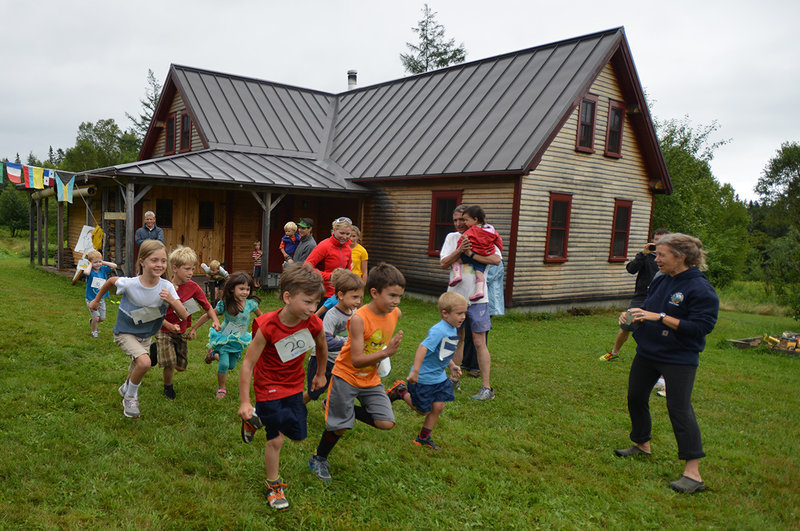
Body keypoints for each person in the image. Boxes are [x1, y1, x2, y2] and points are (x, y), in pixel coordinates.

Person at [613, 233, 719, 495]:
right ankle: (642, 444)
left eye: (662, 255)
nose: (656, 259)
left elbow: (702, 327)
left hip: (679, 358)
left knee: (679, 409)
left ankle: (693, 474)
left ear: (680, 257)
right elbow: (649, 309)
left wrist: (660, 317)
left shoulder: (700, 288)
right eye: (656, 254)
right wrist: (634, 318)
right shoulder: (662, 280)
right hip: (648, 351)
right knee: (635, 396)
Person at [237, 264, 328, 511]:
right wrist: (245, 401)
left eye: (316, 303)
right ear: (287, 297)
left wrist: (320, 373)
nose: (312, 309)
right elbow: (248, 363)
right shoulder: (267, 325)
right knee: (276, 440)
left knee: (298, 436)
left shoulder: (313, 323)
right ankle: (273, 485)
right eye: (308, 302)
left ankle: (255, 420)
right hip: (268, 386)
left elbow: (321, 347)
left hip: (294, 385)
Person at [307, 263, 405, 482]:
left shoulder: (395, 312)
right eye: (392, 295)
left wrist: (384, 353)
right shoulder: (359, 319)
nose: (396, 301)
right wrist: (386, 352)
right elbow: (358, 359)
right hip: (347, 375)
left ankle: (340, 408)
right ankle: (318, 458)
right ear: (374, 293)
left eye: (399, 296)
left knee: (386, 422)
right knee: (340, 427)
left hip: (371, 379)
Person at [89, 240, 188, 419]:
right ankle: (130, 397)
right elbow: (110, 281)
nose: (159, 265)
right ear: (142, 261)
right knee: (144, 363)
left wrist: (172, 301)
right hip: (125, 332)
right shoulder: (130, 284)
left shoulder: (167, 287)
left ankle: (126, 387)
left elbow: (184, 315)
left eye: (163, 261)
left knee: (138, 368)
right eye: (154, 260)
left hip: (145, 335)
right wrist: (96, 300)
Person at [389, 292, 467, 450]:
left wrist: (451, 365)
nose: (463, 316)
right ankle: (400, 391)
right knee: (422, 410)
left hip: (439, 378)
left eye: (464, 312)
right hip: (423, 378)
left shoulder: (452, 328)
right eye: (459, 313)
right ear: (445, 313)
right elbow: (423, 347)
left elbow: (442, 353)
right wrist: (416, 371)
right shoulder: (439, 330)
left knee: (438, 407)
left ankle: (423, 438)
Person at [440, 205, 500, 401]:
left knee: (478, 342)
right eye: (456, 220)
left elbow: (495, 259)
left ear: (472, 220)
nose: (459, 224)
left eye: (462, 220)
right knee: (455, 338)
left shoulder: (484, 234)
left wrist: (472, 254)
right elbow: (444, 263)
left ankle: (486, 388)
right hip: (455, 298)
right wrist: (460, 250)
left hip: (478, 299)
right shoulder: (451, 238)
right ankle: (453, 379)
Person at [156, 246, 221, 400]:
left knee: (180, 367)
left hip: (182, 330)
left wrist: (216, 320)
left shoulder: (193, 287)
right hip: (164, 330)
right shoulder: (164, 287)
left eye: (192, 269)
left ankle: (155, 350)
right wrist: (166, 324)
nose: (191, 272)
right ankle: (168, 388)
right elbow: (154, 312)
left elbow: (207, 306)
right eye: (187, 269)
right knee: (169, 363)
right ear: (175, 268)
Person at [600, 228, 669, 362]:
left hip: (659, 300)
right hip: (640, 298)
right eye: (656, 240)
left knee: (656, 331)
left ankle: (656, 360)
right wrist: (642, 254)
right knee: (626, 325)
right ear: (652, 241)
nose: (659, 243)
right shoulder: (645, 256)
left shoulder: (670, 259)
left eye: (663, 241)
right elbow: (631, 269)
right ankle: (614, 353)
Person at [303, 269, 364, 404]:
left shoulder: (354, 312)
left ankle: (330, 404)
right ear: (341, 295)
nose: (359, 301)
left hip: (341, 361)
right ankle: (295, 406)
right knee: (314, 392)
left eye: (360, 297)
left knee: (341, 389)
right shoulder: (332, 315)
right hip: (323, 360)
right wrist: (349, 343)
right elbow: (326, 342)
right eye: (355, 297)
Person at [199, 272, 262, 399]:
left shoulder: (251, 304)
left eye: (247, 289)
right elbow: (209, 314)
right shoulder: (226, 304)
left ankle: (212, 354)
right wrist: (195, 327)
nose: (245, 292)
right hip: (225, 337)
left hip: (239, 339)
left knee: (232, 365)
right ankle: (221, 388)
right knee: (224, 364)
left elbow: (262, 318)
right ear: (232, 289)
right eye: (241, 289)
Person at [449, 205, 503, 302]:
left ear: (475, 219)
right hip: (484, 256)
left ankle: (457, 276)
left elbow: (463, 238)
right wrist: (499, 248)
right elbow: (498, 239)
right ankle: (479, 291)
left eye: (465, 220)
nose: (464, 223)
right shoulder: (491, 230)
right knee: (479, 274)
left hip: (471, 254)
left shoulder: (473, 229)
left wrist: (460, 249)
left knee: (455, 261)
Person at [303, 216, 353, 299]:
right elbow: (306, 267)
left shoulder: (348, 248)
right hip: (322, 293)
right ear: (334, 230)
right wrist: (329, 276)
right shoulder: (324, 246)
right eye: (341, 233)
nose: (344, 237)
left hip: (340, 294)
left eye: (348, 234)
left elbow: (348, 271)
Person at [72, 250, 117, 338]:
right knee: (96, 317)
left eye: (99, 262)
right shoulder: (90, 271)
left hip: (101, 298)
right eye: (95, 262)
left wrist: (101, 261)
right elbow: (86, 273)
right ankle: (94, 332)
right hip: (91, 298)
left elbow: (114, 266)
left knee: (102, 318)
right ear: (91, 263)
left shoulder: (103, 269)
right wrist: (90, 264)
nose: (98, 264)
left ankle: (92, 322)